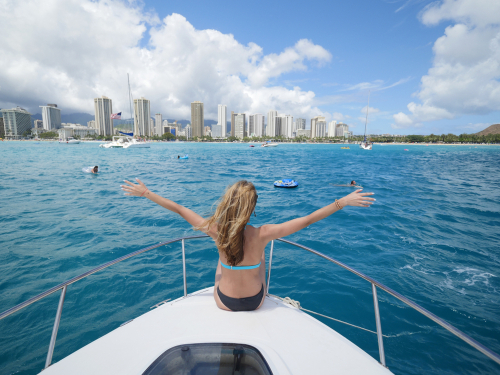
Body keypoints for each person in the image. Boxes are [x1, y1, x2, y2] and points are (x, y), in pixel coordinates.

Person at [120, 179, 375, 312]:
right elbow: (307, 219)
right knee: (260, 261)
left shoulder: (215, 231)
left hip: (224, 302)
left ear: (227, 203)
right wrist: (342, 201)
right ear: (252, 208)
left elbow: (178, 208)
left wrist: (146, 193)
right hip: (255, 302)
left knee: (221, 264)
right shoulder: (263, 233)